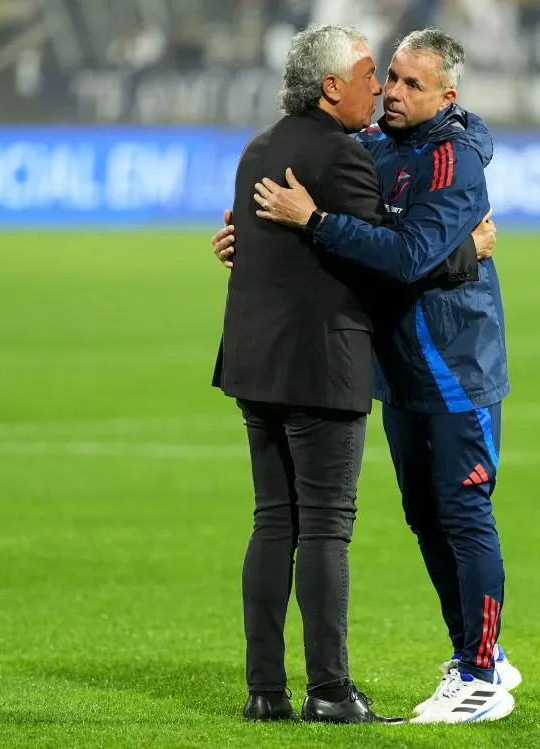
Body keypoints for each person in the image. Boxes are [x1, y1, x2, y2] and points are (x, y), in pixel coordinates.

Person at [217, 28, 519, 724]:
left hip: (455, 364)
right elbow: (369, 248)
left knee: (463, 510)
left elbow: (407, 254)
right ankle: (480, 649)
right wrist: (258, 241)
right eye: (389, 76)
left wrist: (313, 221)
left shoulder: (454, 159)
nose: (392, 91)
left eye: (413, 84)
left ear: (448, 94)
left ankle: (478, 673)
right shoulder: (374, 149)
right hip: (398, 365)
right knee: (424, 515)